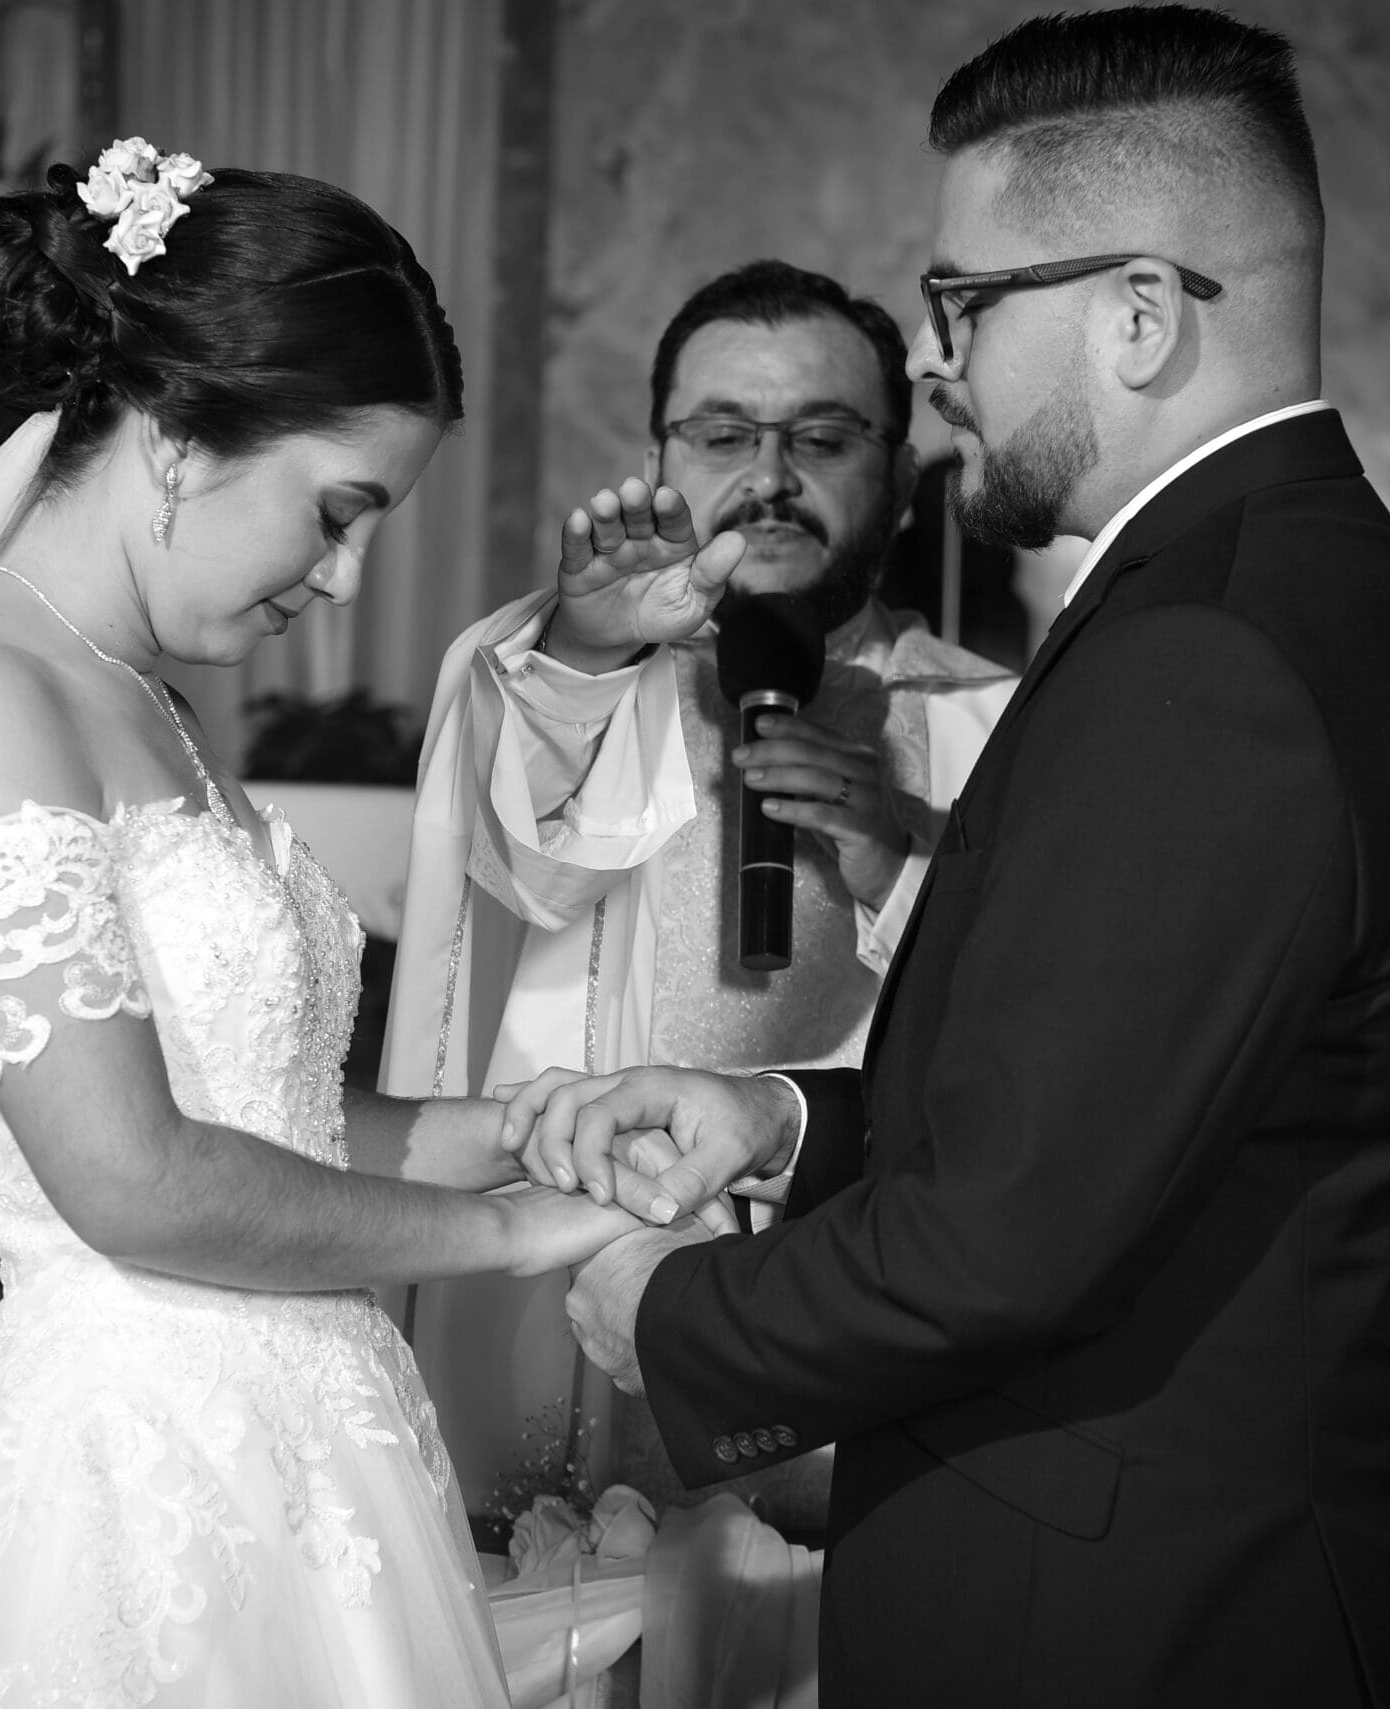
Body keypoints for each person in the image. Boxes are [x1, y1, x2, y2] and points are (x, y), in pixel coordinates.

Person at [504, 10, 1390, 1704]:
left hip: (1157, 1611)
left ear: (1136, 313)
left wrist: (667, 1310)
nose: (936, 354)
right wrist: (792, 1115)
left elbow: (1011, 1236)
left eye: (963, 299)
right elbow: (1112, 1088)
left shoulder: (1213, 650)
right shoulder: (1252, 582)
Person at [0, 141, 659, 1706]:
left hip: (306, 1451)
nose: (345, 577)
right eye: (336, 511)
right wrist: (511, 1235)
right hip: (126, 1490)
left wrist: (530, 1131)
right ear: (180, 434)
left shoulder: (146, 705)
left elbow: (278, 1117)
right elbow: (130, 1178)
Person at [382, 262, 1014, 1506]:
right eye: (722, 433)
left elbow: (1030, 1034)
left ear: (896, 482)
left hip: (843, 1302)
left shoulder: (992, 720)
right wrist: (585, 654)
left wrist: (898, 852)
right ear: (660, 455)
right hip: (560, 1275)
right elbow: (514, 873)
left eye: (824, 438)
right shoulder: (546, 663)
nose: (768, 476)